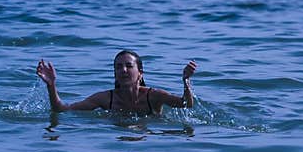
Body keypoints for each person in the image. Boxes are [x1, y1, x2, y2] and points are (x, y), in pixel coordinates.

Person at [36, 50, 197, 114]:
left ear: (140, 73)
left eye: (129, 66)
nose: (124, 70)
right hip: (116, 139)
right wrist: (51, 86)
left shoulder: (153, 96)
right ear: (114, 74)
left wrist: (186, 81)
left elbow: (186, 104)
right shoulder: (105, 99)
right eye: (119, 67)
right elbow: (62, 109)